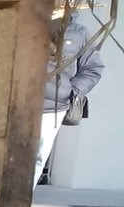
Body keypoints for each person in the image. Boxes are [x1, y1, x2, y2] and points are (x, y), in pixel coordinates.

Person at [35, 7, 105, 186]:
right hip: (15, 103)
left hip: (52, 109)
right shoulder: (25, 21)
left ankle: (22, 199)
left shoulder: (79, 32)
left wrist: (71, 91)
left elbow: (93, 69)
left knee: (37, 159)